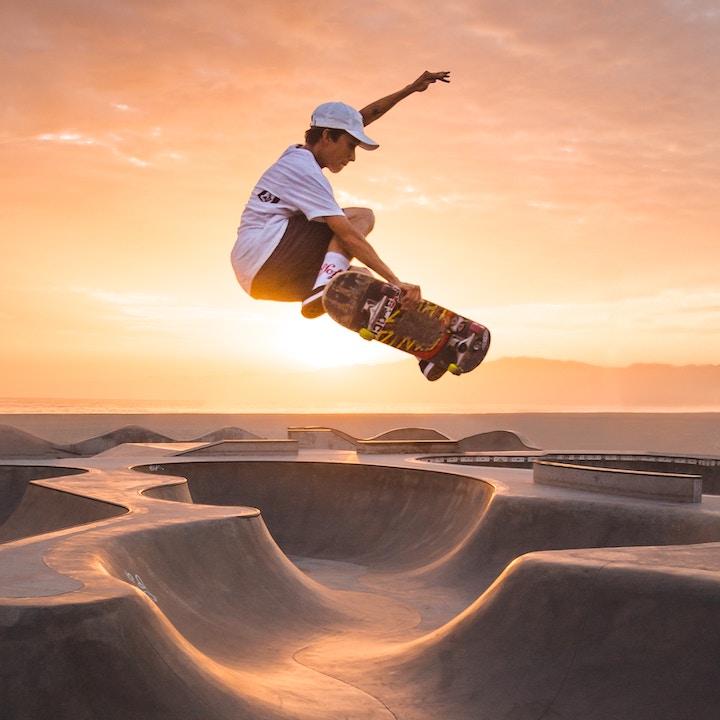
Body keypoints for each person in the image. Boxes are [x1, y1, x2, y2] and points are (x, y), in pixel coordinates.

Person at [230, 70, 451, 319]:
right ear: (326, 137)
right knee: (360, 217)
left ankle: (328, 293)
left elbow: (360, 118)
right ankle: (324, 285)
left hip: (260, 280)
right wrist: (395, 279)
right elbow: (348, 235)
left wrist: (409, 89)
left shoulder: (296, 155)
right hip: (266, 256)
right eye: (350, 146)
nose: (352, 157)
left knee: (363, 283)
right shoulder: (304, 170)